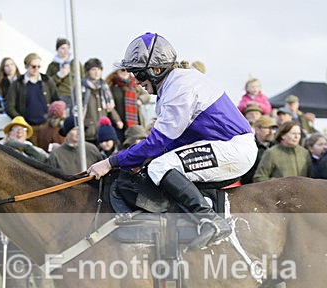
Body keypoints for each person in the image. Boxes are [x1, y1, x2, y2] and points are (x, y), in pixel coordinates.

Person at [86, 33, 256, 249]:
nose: (136, 81)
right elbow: (169, 144)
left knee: (159, 167)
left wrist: (111, 162)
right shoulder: (173, 86)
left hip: (233, 149)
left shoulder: (179, 87)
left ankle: (211, 221)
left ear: (157, 70)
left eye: (138, 73)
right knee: (156, 167)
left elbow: (157, 143)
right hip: (224, 147)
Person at [5, 53, 59, 145]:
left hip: (46, 126)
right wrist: (21, 121)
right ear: (26, 66)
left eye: (39, 66)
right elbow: (9, 106)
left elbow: (56, 101)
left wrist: (53, 118)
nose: (36, 69)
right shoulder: (17, 83)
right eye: (33, 66)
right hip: (27, 128)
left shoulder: (47, 81)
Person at [81, 58, 123, 144]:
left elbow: (110, 107)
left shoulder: (104, 87)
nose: (97, 72)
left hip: (103, 130)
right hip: (88, 130)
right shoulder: (81, 87)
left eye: (99, 70)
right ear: (88, 71)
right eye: (93, 70)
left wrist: (117, 120)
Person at [106, 67, 149, 142]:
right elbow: (110, 106)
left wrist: (140, 100)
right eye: (122, 70)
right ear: (117, 71)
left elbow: (146, 96)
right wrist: (117, 120)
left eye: (128, 70)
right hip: (120, 124)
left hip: (136, 123)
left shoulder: (135, 84)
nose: (125, 72)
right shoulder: (111, 86)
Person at [239, 115, 276, 184]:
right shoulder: (249, 146)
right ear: (257, 130)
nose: (271, 132)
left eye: (273, 129)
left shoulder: (276, 147)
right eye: (267, 128)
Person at [45, 38, 77, 109]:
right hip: (59, 97)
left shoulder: (75, 63)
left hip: (74, 97)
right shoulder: (52, 66)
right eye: (62, 48)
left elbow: (82, 78)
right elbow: (47, 83)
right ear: (57, 50)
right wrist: (59, 75)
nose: (65, 51)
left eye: (67, 48)